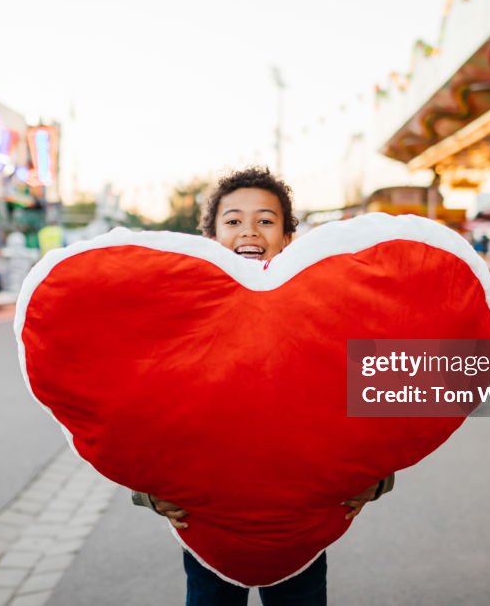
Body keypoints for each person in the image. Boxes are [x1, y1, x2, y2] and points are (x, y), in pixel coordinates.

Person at [131, 166, 394, 606]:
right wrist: (147, 486)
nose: (248, 230)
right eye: (233, 221)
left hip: (299, 526)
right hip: (211, 524)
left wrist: (375, 476)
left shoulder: (321, 313)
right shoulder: (184, 317)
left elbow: (366, 396)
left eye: (265, 220)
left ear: (288, 237)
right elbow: (140, 406)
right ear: (212, 238)